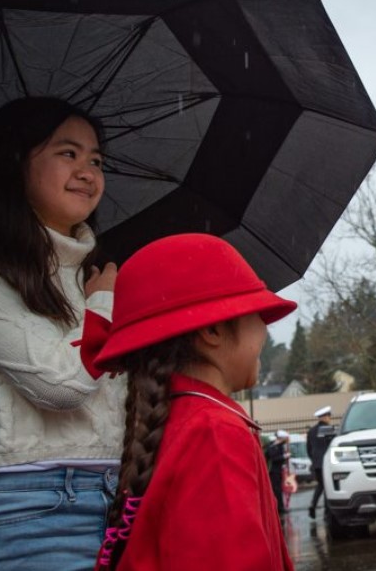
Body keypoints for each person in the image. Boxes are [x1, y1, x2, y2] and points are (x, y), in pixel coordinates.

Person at [0, 96, 124, 570]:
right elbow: (59, 385)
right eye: (68, 153)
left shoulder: (96, 275)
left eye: (96, 160)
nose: (88, 171)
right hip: (25, 510)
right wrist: (103, 304)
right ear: (16, 164)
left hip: (117, 503)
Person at [77, 233, 296, 570]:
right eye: (259, 314)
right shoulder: (214, 432)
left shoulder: (179, 422)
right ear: (213, 332)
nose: (265, 330)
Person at [306, 406, 337, 519]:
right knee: (327, 486)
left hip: (316, 464)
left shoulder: (311, 431)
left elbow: (308, 449)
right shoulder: (329, 429)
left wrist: (314, 460)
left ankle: (313, 506)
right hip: (326, 463)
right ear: (324, 417)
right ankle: (327, 512)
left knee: (321, 485)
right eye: (329, 416)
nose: (330, 418)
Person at [265, 429, 291, 515]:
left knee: (278, 489)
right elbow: (274, 458)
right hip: (273, 471)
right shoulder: (273, 446)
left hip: (277, 470)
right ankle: (279, 508)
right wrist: (284, 456)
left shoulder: (277, 445)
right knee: (277, 490)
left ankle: (279, 507)